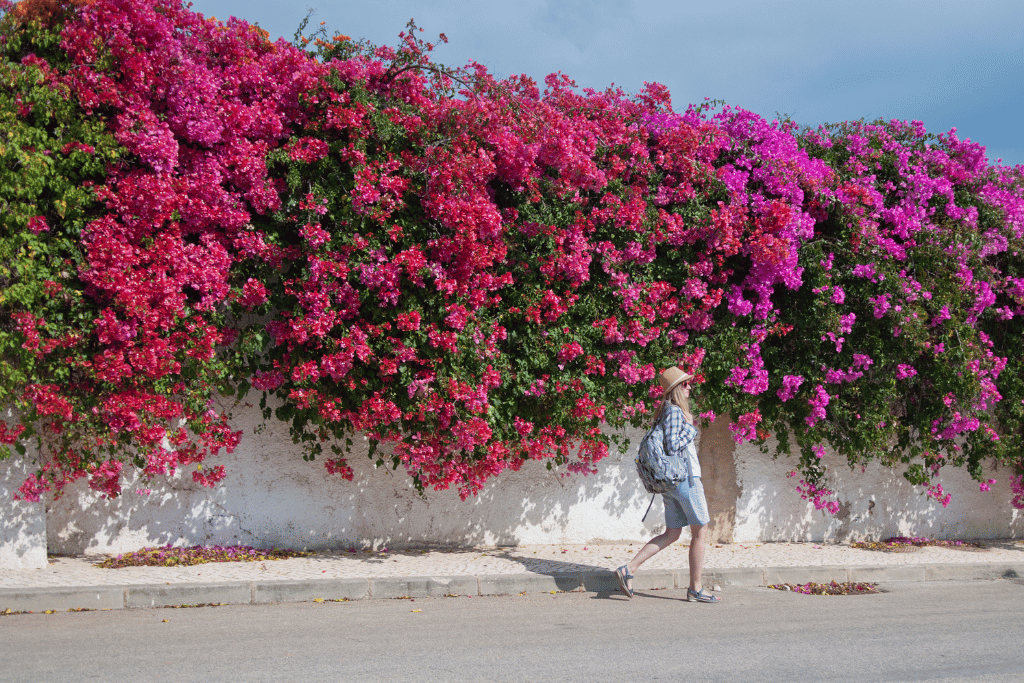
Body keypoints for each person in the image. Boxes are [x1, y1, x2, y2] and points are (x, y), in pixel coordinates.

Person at [615, 366, 720, 603]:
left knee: (672, 533)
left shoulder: (665, 412)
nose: (690, 386)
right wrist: (691, 428)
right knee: (700, 531)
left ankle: (629, 569)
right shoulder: (674, 412)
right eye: (686, 384)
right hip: (686, 481)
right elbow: (672, 446)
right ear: (677, 389)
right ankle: (695, 588)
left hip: (673, 485)